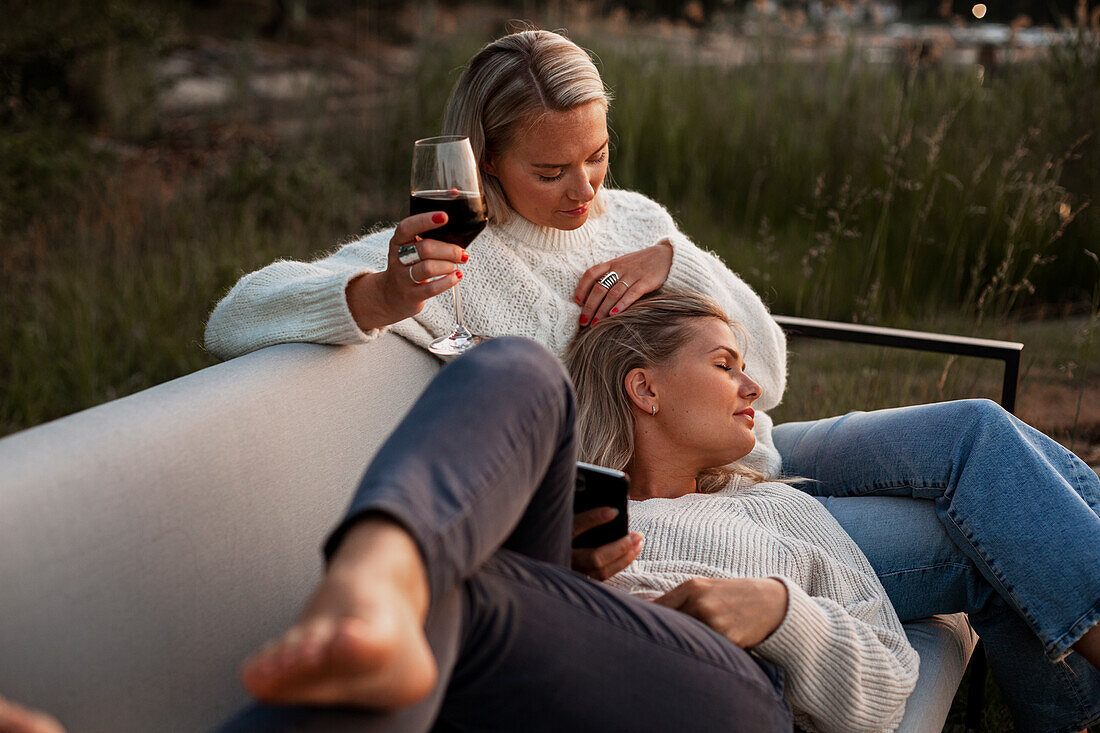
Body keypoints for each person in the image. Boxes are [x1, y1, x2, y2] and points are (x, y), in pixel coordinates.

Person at [205, 28, 1100, 731]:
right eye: (550, 170)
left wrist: (676, 262)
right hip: (674, 507)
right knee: (986, 527)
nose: (584, 189)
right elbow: (239, 312)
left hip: (748, 449)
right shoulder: (454, 256)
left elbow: (769, 371)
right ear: (481, 160)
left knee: (978, 436)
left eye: (597, 155)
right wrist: (384, 290)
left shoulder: (632, 217)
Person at [223, 301, 919, 733]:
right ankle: (378, 581)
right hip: (539, 650)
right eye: (724, 362)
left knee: (448, 595)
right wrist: (564, 563)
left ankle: (375, 595)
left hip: (723, 690)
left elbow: (890, 687)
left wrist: (776, 611)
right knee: (519, 368)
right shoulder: (564, 499)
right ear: (644, 387)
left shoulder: (781, 508)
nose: (753, 386)